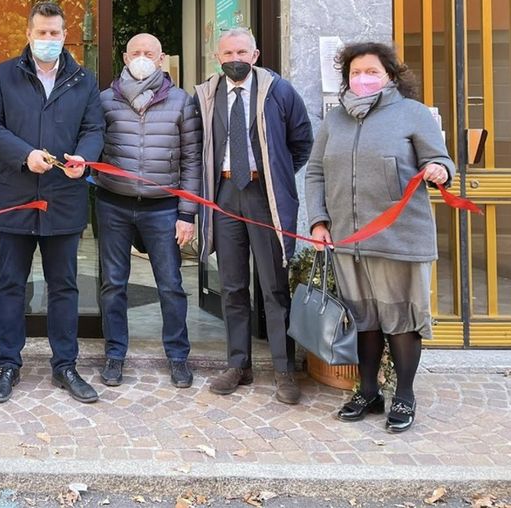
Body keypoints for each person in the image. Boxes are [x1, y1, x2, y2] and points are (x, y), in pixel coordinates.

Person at [306, 41, 454, 433]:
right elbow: (316, 172)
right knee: (364, 320)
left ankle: (404, 395)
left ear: (390, 75)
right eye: (356, 72)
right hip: (349, 241)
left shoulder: (412, 113)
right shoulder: (335, 119)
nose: (363, 78)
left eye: (371, 71)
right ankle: (368, 392)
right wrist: (319, 221)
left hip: (399, 238)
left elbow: (440, 159)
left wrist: (440, 170)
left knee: (401, 319)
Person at [0, 1, 104, 404]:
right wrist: (24, 154)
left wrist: (84, 158)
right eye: (41, 32)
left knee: (64, 287)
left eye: (54, 33)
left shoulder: (83, 79)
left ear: (65, 35)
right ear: (29, 34)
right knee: (11, 285)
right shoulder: (4, 75)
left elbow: (95, 128)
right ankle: (7, 364)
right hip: (15, 196)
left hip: (64, 198)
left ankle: (65, 364)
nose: (48, 39)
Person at [194, 27, 313, 404]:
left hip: (265, 195)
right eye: (228, 53)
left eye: (242, 52)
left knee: (274, 285)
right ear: (217, 57)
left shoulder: (279, 91)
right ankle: (238, 364)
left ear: (255, 55)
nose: (235, 59)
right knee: (231, 285)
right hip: (225, 193)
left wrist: (276, 174)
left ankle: (283, 369)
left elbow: (302, 141)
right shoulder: (207, 94)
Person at [94, 33, 201, 388]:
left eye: (149, 53)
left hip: (163, 208)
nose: (142, 58)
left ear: (160, 59)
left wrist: (187, 214)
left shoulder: (181, 102)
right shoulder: (105, 100)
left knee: (170, 285)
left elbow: (192, 161)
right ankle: (114, 354)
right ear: (125, 58)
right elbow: (93, 148)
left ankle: (178, 356)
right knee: (113, 284)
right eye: (136, 52)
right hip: (113, 203)